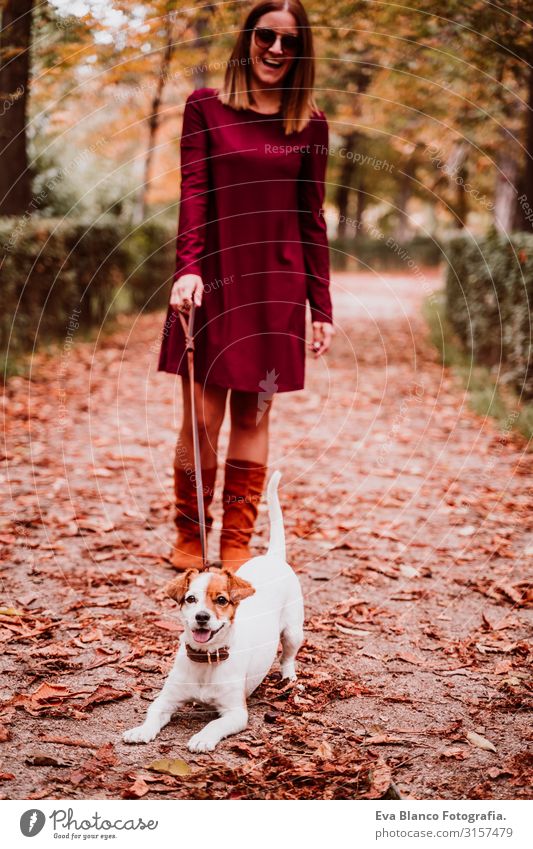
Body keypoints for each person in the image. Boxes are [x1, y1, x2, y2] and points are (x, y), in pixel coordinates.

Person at [158, 0, 334, 572]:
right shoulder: (205, 107)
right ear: (248, 39)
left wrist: (320, 305)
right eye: (266, 37)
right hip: (212, 279)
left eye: (289, 42)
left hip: (276, 288)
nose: (276, 51)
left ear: (301, 53)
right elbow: (194, 192)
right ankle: (191, 533)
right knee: (202, 418)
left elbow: (312, 217)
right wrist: (187, 268)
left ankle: (235, 541)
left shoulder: (311, 124)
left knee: (254, 416)